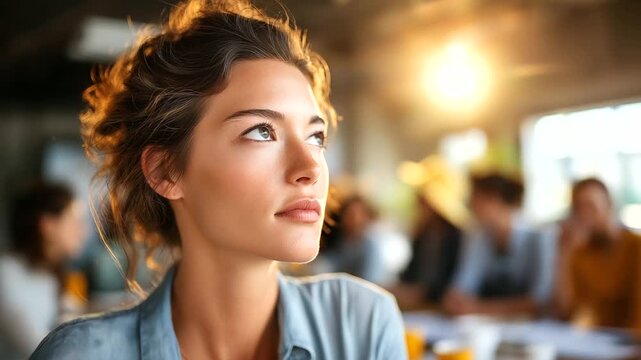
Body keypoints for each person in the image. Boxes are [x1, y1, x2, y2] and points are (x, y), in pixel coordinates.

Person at [31, 1, 408, 359]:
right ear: (166, 171)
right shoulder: (83, 354)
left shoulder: (361, 324)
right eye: (262, 131)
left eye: (316, 137)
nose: (310, 166)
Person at [443, 173, 556, 317]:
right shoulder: (479, 237)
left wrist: (478, 308)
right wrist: (456, 301)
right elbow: (461, 288)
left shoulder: (540, 237)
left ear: (494, 199)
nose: (470, 205)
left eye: (475, 198)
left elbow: (540, 302)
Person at [0, 182, 87, 359]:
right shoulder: (6, 274)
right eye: (73, 220)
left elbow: (74, 316)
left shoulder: (50, 273)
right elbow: (40, 351)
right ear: (48, 225)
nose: (82, 230)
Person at [554, 178, 641, 335]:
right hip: (595, 340)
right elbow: (565, 311)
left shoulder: (635, 247)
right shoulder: (580, 253)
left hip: (628, 343)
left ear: (609, 206)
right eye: (578, 208)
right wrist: (564, 255)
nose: (585, 214)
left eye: (591, 206)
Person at [320, 195, 387, 284]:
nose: (354, 219)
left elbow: (370, 281)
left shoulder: (371, 246)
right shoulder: (338, 241)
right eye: (350, 214)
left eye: (359, 215)